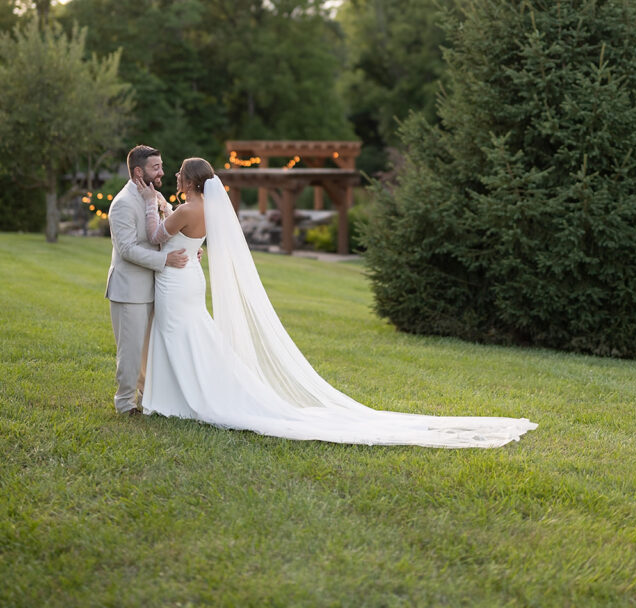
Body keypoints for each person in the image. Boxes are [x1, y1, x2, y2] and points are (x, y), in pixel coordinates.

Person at [136, 157, 538, 448]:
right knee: (192, 334)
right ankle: (185, 393)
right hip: (189, 277)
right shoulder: (204, 210)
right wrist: (166, 209)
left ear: (188, 180)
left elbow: (156, 237)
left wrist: (151, 203)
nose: (171, 176)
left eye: (177, 174)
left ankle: (180, 398)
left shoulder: (186, 208)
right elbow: (185, 232)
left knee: (177, 334)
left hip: (176, 278)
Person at [105, 145, 188, 415]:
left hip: (158, 287)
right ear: (139, 171)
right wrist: (166, 260)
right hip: (129, 289)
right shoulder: (122, 204)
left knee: (150, 351)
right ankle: (125, 403)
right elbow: (127, 249)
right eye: (156, 167)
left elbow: (165, 230)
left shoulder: (155, 196)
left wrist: (187, 247)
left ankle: (149, 397)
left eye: (162, 166)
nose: (162, 171)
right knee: (130, 351)